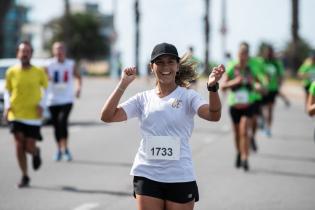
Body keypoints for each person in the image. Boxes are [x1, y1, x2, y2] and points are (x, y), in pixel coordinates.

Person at [100, 43, 225, 210]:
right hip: (147, 173)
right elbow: (107, 116)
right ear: (152, 67)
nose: (165, 67)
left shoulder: (188, 96)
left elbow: (213, 115)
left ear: (177, 66)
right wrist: (123, 84)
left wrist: (212, 87)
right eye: (159, 62)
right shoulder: (142, 99)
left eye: (170, 62)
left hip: (180, 175)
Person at [4, 41, 48, 188]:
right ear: (18, 53)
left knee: (28, 146)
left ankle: (35, 152)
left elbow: (46, 90)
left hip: (33, 116)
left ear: (31, 54)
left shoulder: (38, 71)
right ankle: (25, 175)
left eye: (27, 51)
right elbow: (7, 91)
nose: (24, 54)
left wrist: (42, 105)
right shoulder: (11, 71)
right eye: (22, 51)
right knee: (18, 145)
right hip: (16, 114)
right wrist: (7, 106)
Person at [221, 42, 264, 171]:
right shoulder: (232, 67)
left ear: (247, 55)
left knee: (244, 131)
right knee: (237, 133)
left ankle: (245, 157)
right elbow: (223, 86)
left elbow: (259, 85)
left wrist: (256, 86)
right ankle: (239, 152)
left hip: (248, 104)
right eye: (240, 54)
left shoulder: (251, 69)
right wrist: (235, 81)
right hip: (234, 105)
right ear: (237, 55)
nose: (242, 56)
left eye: (244, 54)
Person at [46, 41, 82, 161]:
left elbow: (78, 77)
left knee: (62, 122)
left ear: (65, 51)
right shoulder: (48, 64)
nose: (59, 51)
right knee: (56, 126)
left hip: (67, 99)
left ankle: (65, 149)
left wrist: (78, 88)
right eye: (56, 49)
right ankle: (58, 150)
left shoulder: (70, 64)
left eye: (61, 48)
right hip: (52, 100)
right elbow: (42, 80)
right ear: (53, 51)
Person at [260, 45, 288, 137]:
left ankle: (268, 128)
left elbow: (281, 75)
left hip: (272, 89)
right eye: (267, 52)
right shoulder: (261, 62)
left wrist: (279, 85)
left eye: (270, 52)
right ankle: (263, 122)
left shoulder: (276, 63)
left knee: (270, 110)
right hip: (263, 89)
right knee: (262, 109)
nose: (269, 54)